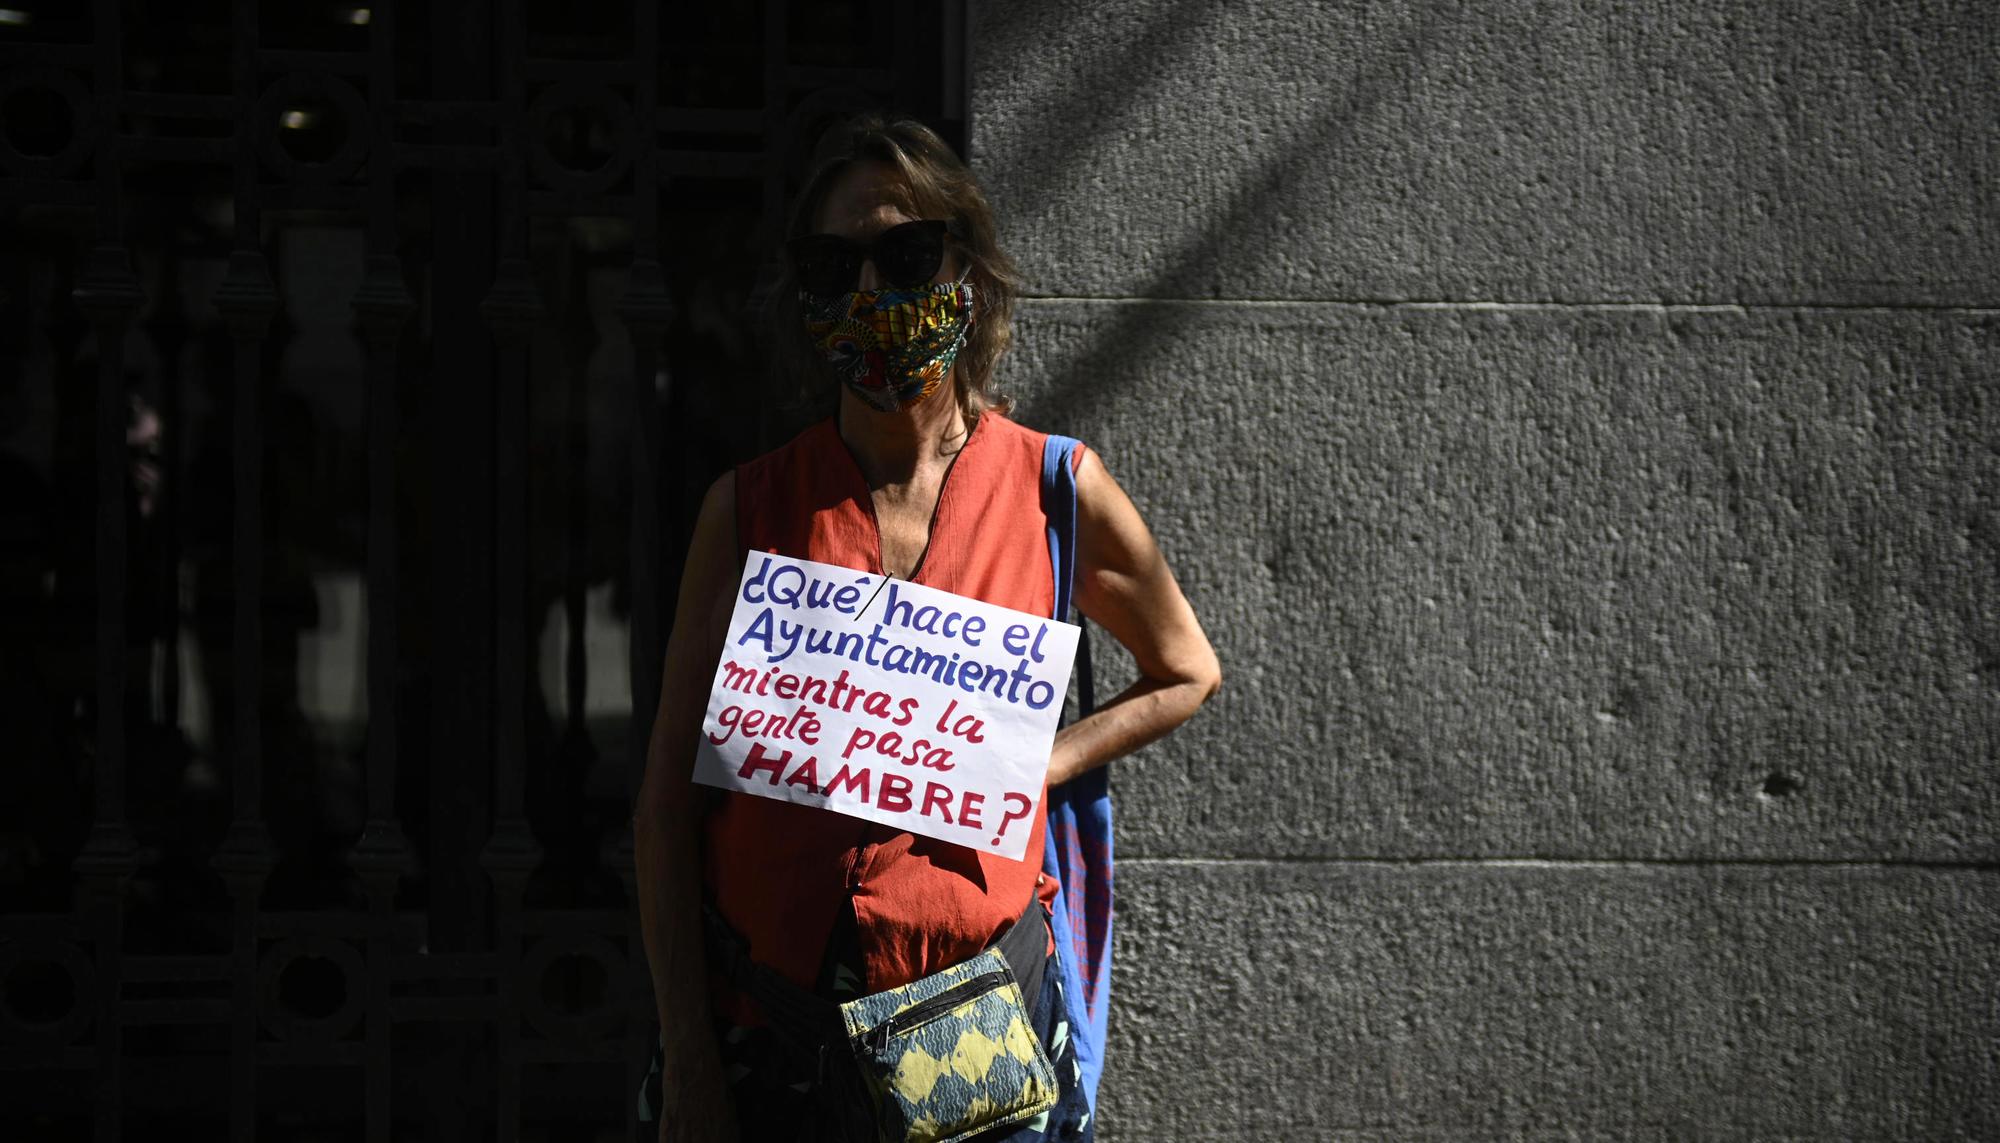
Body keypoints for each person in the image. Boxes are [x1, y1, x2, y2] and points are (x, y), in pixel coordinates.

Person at [634, 113, 1221, 1143]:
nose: (868, 296)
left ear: (968, 275)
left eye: (904, 256)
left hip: (974, 1034)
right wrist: (687, 1058)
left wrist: (1039, 761)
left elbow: (1184, 668)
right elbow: (664, 808)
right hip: (769, 1041)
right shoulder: (751, 509)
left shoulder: (1054, 490)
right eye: (834, 265)